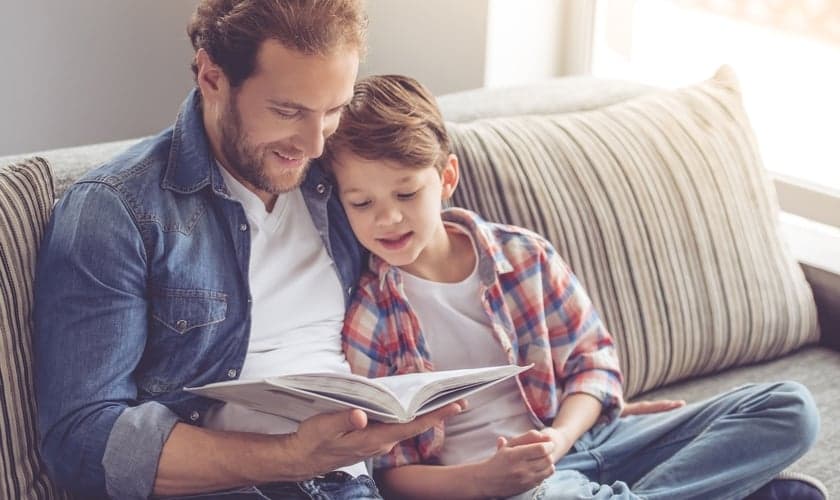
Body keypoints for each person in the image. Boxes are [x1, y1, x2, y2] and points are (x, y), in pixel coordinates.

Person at [32, 2, 466, 499]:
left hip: (353, 485)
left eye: (332, 111)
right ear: (212, 77)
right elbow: (83, 439)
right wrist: (293, 455)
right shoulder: (116, 211)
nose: (314, 145)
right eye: (288, 111)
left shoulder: (342, 178)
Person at [324, 74, 822, 500]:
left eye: (406, 192)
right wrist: (481, 480)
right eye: (362, 204)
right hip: (508, 485)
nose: (387, 218)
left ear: (446, 176)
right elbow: (383, 470)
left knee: (790, 408)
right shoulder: (371, 317)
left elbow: (595, 365)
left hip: (588, 440)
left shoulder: (523, 256)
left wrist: (561, 437)